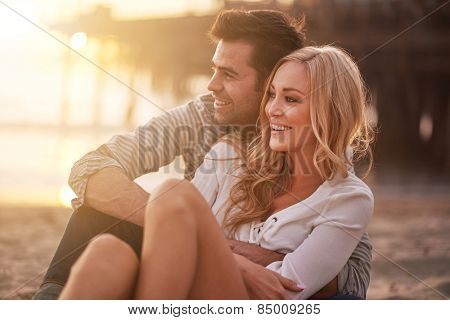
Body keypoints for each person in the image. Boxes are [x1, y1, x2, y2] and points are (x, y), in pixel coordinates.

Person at [34, 10, 372, 300]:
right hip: (194, 269)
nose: (212, 85)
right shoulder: (218, 139)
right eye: (273, 96)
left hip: (253, 295)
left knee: (170, 194)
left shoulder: (334, 180)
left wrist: (204, 240)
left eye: (229, 74)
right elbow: (89, 169)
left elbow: (342, 276)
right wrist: (192, 235)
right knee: (103, 241)